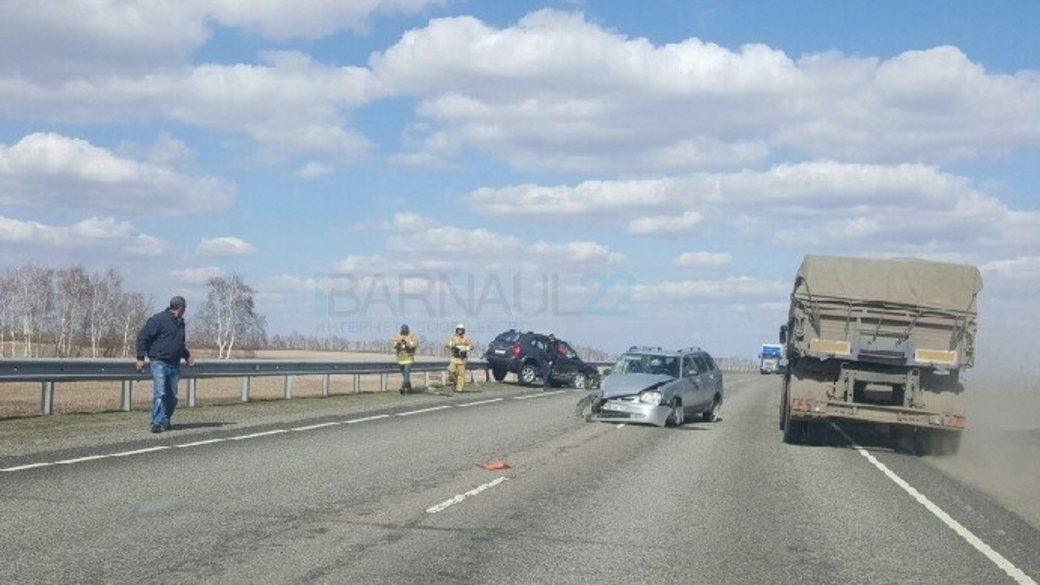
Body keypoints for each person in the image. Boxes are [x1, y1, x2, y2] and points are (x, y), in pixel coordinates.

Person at [135, 295, 195, 433]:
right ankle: (156, 422)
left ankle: (166, 419)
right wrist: (140, 357)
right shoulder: (158, 319)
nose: (185, 310)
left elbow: (178, 343)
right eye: (185, 308)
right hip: (159, 361)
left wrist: (187, 356)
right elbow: (142, 337)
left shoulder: (181, 323)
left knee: (171, 395)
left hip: (174, 363)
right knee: (160, 393)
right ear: (180, 308)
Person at [444, 323, 474, 393]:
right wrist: (452, 345)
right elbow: (446, 343)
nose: (459, 331)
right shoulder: (453, 337)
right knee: (451, 370)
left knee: (461, 374)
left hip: (462, 359)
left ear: (463, 330)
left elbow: (471, 346)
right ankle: (455, 382)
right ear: (456, 330)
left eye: (461, 330)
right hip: (454, 358)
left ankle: (459, 389)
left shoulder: (466, 338)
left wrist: (466, 348)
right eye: (458, 330)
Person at [390, 324, 419, 394]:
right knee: (404, 374)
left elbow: (414, 344)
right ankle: (408, 388)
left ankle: (404, 386)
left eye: (405, 332)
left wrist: (406, 343)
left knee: (406, 372)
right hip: (400, 358)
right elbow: (393, 344)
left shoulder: (412, 335)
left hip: (408, 357)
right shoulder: (397, 335)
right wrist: (398, 343)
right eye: (403, 332)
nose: (404, 333)